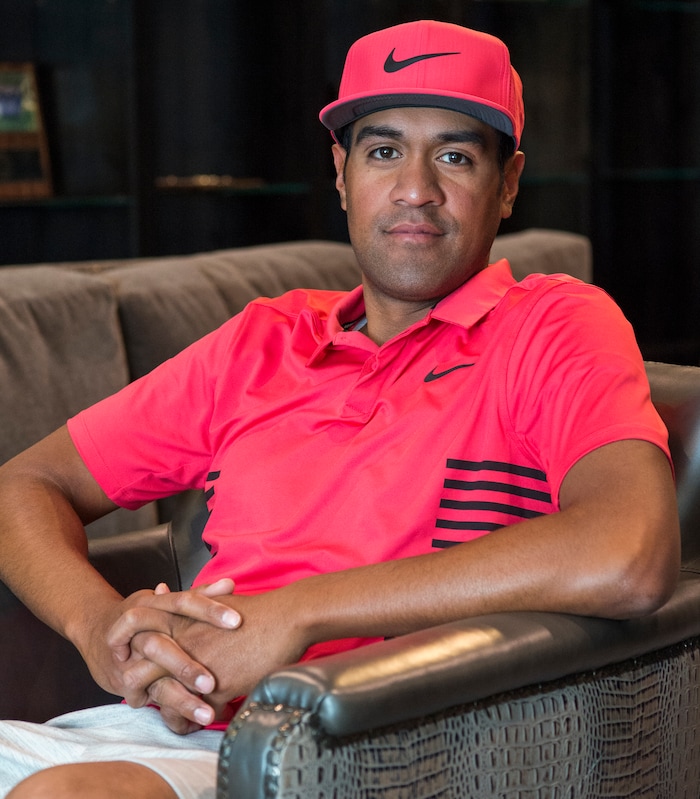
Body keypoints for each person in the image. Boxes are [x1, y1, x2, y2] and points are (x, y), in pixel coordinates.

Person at [0, 18, 680, 799]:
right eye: (383, 150)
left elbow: (630, 553)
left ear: (510, 182)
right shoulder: (265, 339)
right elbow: (26, 483)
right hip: (163, 725)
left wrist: (295, 616)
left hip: (371, 745)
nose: (415, 188)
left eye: (454, 156)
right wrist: (100, 627)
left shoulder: (554, 324)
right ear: (341, 170)